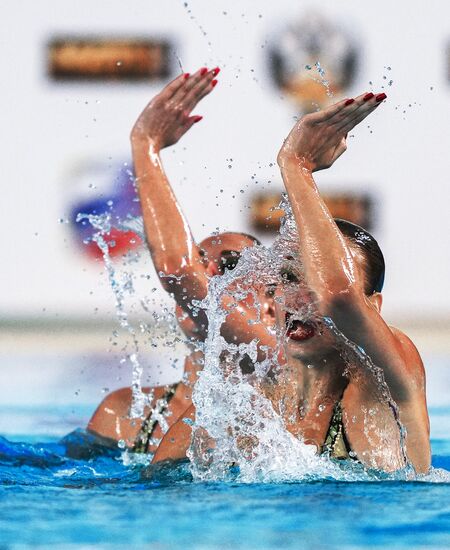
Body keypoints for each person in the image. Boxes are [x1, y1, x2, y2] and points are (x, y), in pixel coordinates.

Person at [149, 92, 431, 474]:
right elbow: (149, 486)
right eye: (287, 278)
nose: (299, 298)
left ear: (373, 308)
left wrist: (296, 166)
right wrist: (145, 145)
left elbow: (338, 296)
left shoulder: (384, 385)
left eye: (310, 279)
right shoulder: (241, 404)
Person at [87, 68, 278, 453]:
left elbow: (178, 270)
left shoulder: (288, 397)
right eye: (198, 259)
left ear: (271, 306)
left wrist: (146, 144)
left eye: (228, 265)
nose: (205, 274)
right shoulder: (124, 414)